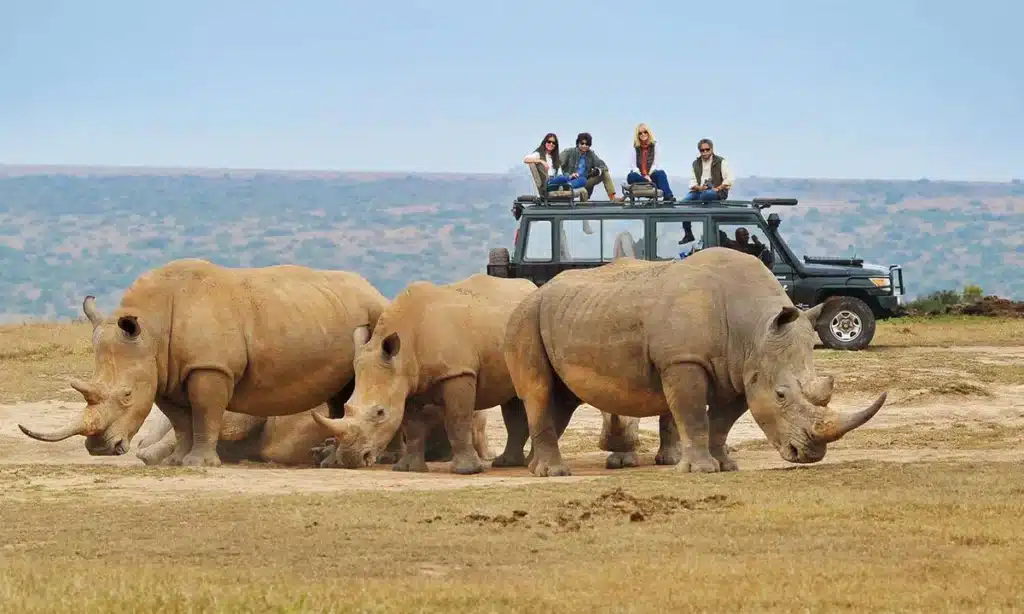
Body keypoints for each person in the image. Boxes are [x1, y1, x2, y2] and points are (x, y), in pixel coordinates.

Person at [558, 132, 623, 202]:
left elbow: (603, 165)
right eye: (582, 143)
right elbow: (557, 165)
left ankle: (612, 197)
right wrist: (569, 175)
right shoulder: (568, 152)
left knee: (604, 173)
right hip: (570, 181)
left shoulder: (590, 154)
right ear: (578, 143)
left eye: (587, 144)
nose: (584, 146)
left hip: (584, 181)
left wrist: (597, 170)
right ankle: (571, 194)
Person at [523, 132, 587, 194]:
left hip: (558, 181)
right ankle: (567, 185)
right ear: (545, 142)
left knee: (583, 180)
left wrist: (571, 176)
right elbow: (526, 159)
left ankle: (568, 186)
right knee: (562, 178)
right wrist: (541, 161)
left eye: (553, 143)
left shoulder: (555, 158)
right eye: (549, 141)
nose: (551, 144)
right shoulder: (539, 154)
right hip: (548, 184)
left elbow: (560, 174)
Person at [626, 123, 675, 201]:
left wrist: (648, 175)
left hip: (650, 175)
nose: (643, 134)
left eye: (645, 132)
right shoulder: (633, 146)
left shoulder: (655, 145)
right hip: (639, 177)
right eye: (640, 133)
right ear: (637, 135)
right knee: (631, 176)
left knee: (661, 173)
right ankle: (650, 184)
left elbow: (655, 164)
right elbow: (633, 166)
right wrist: (644, 177)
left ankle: (668, 197)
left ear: (648, 133)